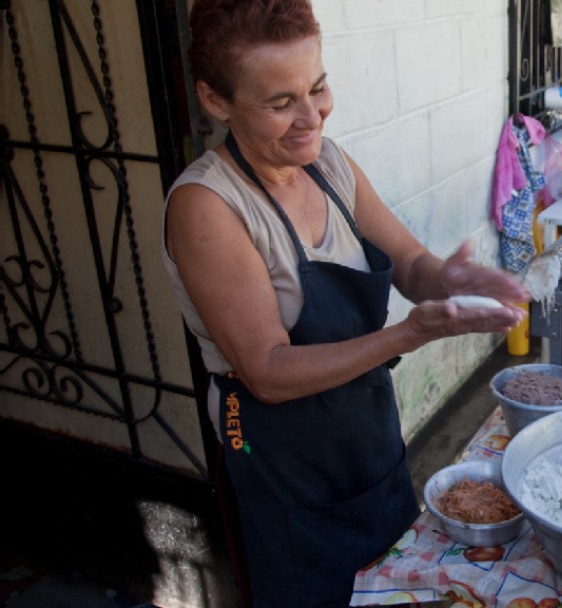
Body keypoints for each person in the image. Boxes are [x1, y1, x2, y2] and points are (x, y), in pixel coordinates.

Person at [161, 1, 529, 606]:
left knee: (392, 583)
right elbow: (268, 373)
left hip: (365, 435)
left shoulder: (328, 164)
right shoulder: (208, 206)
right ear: (215, 101)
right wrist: (408, 336)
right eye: (280, 103)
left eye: (319, 87)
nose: (311, 117)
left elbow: (411, 265)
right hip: (277, 453)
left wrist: (453, 277)